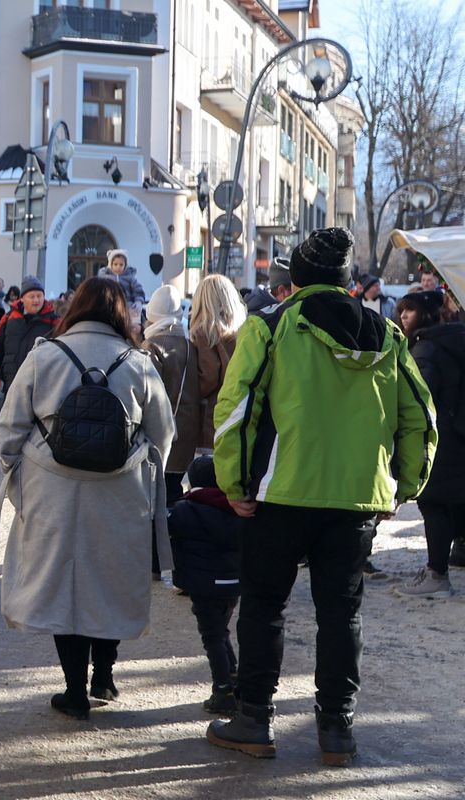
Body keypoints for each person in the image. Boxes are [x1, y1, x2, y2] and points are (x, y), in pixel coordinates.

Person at [206, 227, 436, 767]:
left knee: (264, 607)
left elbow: (236, 411)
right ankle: (337, 730)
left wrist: (235, 484)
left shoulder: (271, 326)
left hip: (278, 495)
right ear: (348, 279)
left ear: (298, 279)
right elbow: (419, 419)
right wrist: (401, 487)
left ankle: (254, 720)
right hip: (356, 500)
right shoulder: (387, 334)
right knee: (341, 612)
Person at [0, 277, 174, 720]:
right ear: (120, 313)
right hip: (120, 492)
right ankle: (104, 677)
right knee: (108, 581)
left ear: (75, 308)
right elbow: (163, 434)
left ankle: (73, 691)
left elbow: (10, 428)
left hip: (53, 491)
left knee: (63, 586)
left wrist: (19, 477)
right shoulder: (139, 362)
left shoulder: (44, 355)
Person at [394, 290, 462, 599]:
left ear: (426, 315)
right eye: (402, 311)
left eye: (410, 311)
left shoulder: (425, 349)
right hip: (459, 434)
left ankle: (437, 573)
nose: (403, 317)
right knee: (456, 501)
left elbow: (420, 400)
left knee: (433, 503)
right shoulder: (456, 338)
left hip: (442, 439)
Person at [168, 455, 243, 716]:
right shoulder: (237, 508)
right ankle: (233, 677)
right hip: (234, 583)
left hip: (202, 586)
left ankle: (222, 690)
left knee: (212, 636)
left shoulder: (183, 510)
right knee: (221, 630)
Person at [142, 285, 203, 505]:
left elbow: (146, 394)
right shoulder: (189, 345)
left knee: (156, 495)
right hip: (187, 430)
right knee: (176, 491)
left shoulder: (151, 346)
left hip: (161, 434)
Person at [190, 274, 246, 448]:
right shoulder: (244, 330)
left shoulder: (204, 332)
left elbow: (208, 376)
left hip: (212, 417)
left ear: (202, 301)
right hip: (240, 409)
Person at [0, 276, 58, 400]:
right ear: (23, 299)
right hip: (11, 382)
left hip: (43, 386)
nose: (36, 300)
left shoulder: (54, 320)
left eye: (39, 296)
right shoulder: (9, 318)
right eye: (32, 296)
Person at [97, 249, 147, 314]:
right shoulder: (105, 278)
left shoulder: (130, 278)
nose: (118, 267)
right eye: (115, 264)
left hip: (127, 305)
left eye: (121, 265)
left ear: (125, 266)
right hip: (109, 305)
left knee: (137, 315)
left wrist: (138, 302)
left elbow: (138, 291)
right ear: (110, 265)